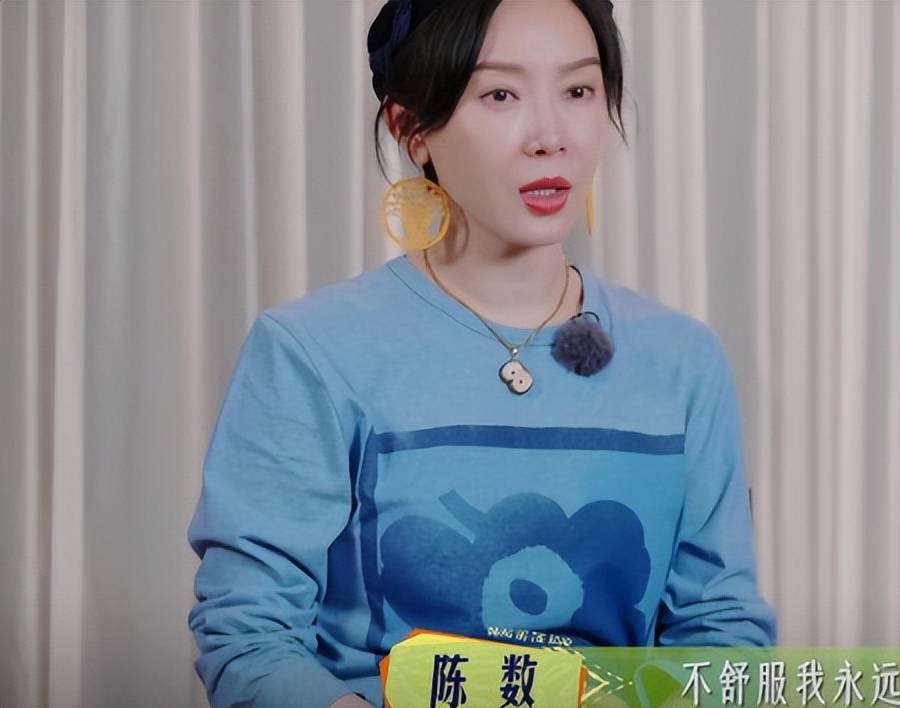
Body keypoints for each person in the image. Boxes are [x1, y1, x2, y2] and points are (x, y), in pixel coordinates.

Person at [185, 0, 777, 706]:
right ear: (412, 128)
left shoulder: (682, 363)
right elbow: (249, 634)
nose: (550, 137)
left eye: (578, 90)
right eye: (501, 95)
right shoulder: (312, 352)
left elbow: (720, 626)